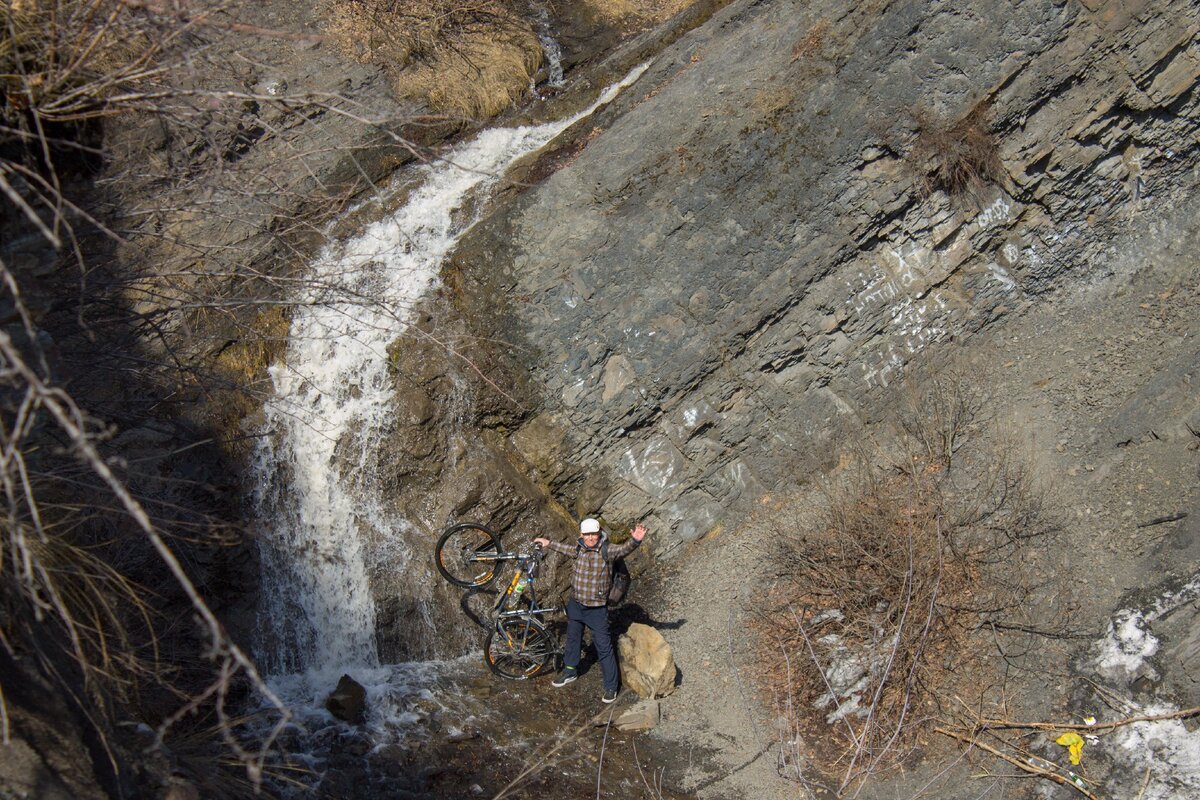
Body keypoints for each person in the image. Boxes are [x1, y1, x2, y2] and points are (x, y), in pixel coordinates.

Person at [534, 518, 647, 703]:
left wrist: (635, 540)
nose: (591, 538)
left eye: (593, 534)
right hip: (576, 605)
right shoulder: (579, 548)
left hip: (596, 609)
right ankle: (570, 671)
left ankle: (611, 686)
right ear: (581, 535)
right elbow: (565, 549)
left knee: (604, 647)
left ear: (599, 532)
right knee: (573, 638)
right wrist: (548, 543)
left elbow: (624, 549)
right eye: (587, 534)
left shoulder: (607, 550)